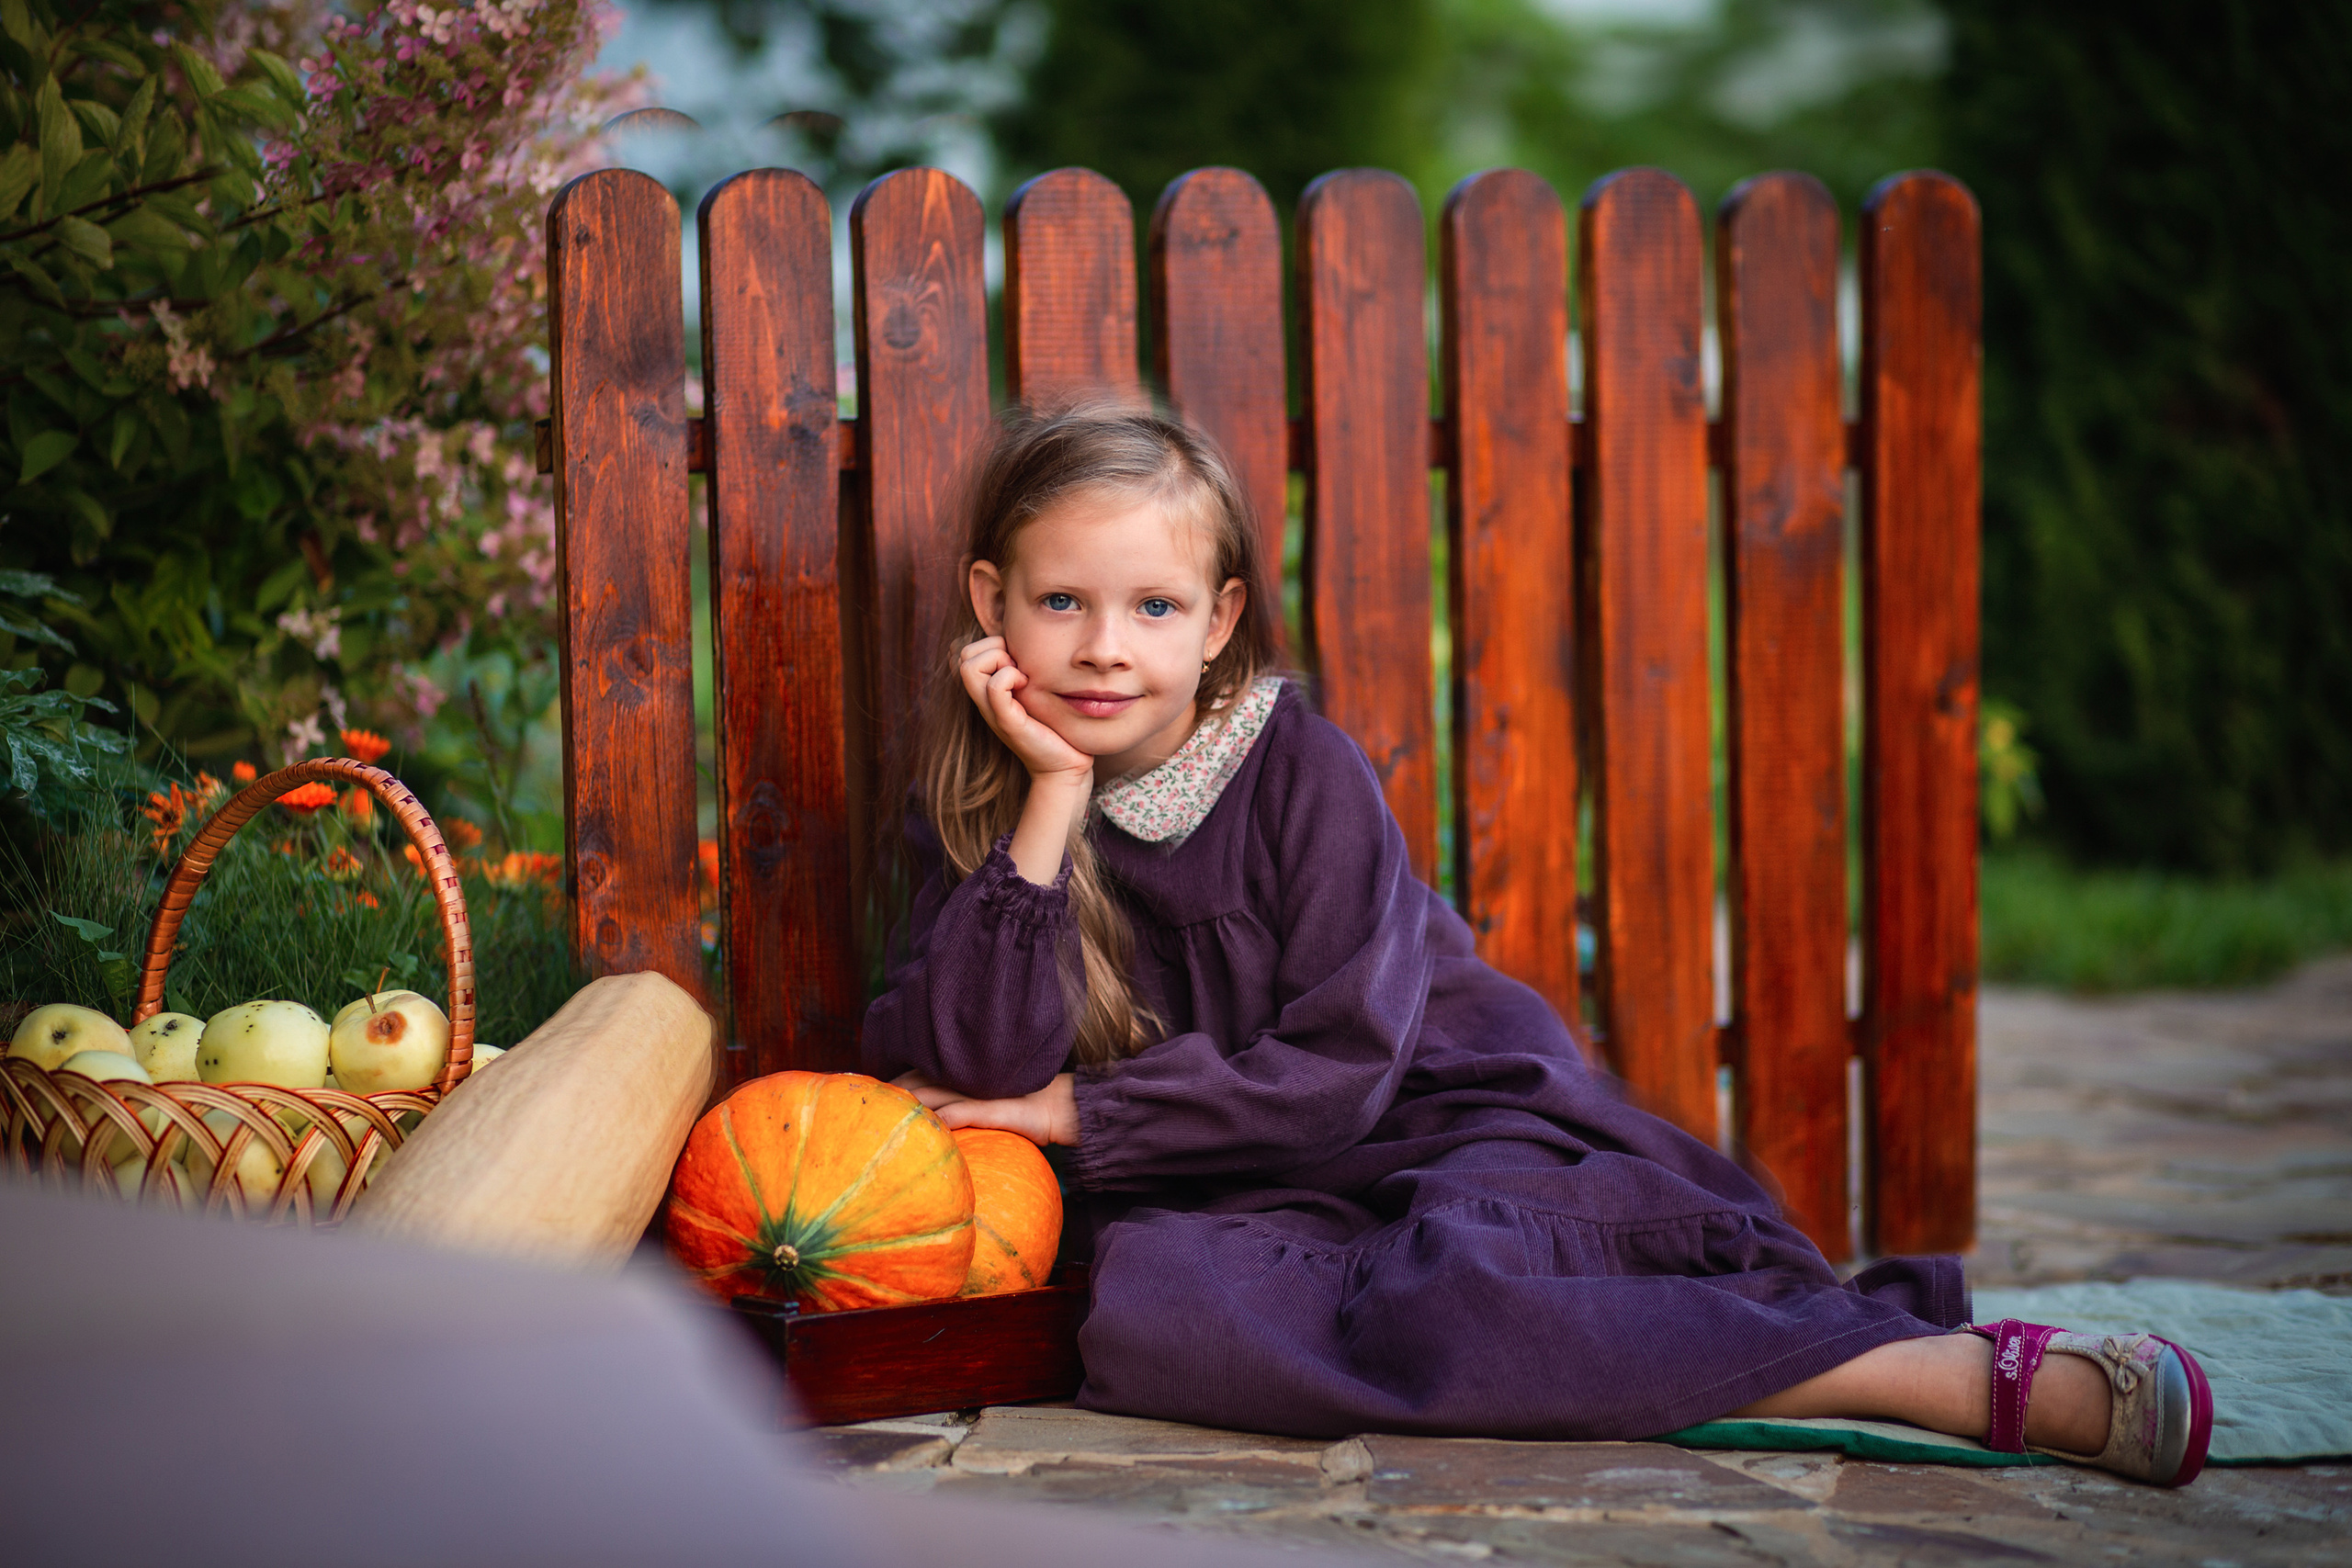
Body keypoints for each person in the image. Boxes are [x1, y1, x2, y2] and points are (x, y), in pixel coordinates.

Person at [861, 404, 2212, 1487]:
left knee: (1464, 1290)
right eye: (1061, 606)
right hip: (1228, 1196)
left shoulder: (1296, 772)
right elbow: (973, 1059)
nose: (1105, 652)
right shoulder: (988, 804)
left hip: (1436, 1124)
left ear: (1218, 622)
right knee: (1154, 1318)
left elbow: (1340, 1065)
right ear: (993, 602)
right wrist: (1048, 799)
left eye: (1154, 608)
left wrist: (1068, 1112)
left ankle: (1937, 1379)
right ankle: (1617, 1354)